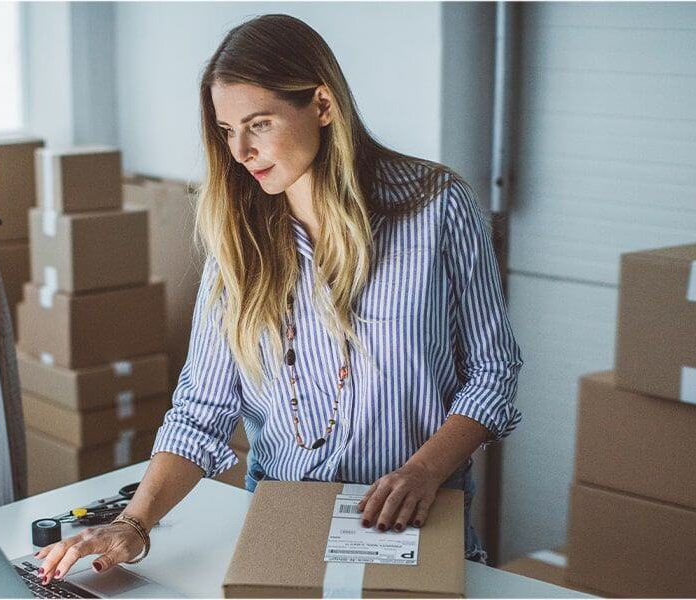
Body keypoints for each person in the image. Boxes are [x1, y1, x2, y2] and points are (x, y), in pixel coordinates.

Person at [34, 13, 522, 583]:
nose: (240, 150)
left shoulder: (438, 207)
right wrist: (134, 525)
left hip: (414, 519)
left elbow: (494, 372)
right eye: (225, 130)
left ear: (321, 104)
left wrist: (423, 470)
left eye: (258, 124)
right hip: (281, 523)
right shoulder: (237, 239)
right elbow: (201, 411)